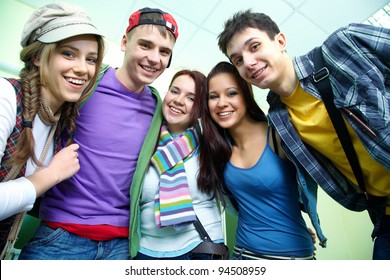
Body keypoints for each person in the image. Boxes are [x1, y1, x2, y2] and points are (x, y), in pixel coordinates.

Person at [216, 10, 390, 259]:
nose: (249, 62)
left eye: (254, 47)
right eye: (238, 60)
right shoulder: (279, 121)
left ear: (280, 41)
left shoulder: (342, 45)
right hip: (383, 217)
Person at [18, 7, 178, 260]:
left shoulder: (159, 108)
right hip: (60, 236)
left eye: (164, 51)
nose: (154, 58)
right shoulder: (84, 82)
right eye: (145, 45)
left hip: (120, 245)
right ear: (125, 42)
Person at [0, 3, 105, 259]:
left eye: (91, 59)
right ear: (37, 56)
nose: (83, 69)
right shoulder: (5, 96)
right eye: (69, 54)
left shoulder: (59, 126)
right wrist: (49, 176)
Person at [197, 61, 319, 260]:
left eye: (231, 93)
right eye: (213, 96)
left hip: (291, 257)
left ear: (245, 94)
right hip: (242, 255)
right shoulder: (218, 148)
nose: (221, 103)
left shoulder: (278, 134)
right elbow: (244, 205)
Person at [133, 69, 225, 260]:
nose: (179, 100)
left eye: (191, 98)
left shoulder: (210, 143)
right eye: (175, 91)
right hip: (146, 252)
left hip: (200, 248)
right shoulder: (143, 141)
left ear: (200, 107)